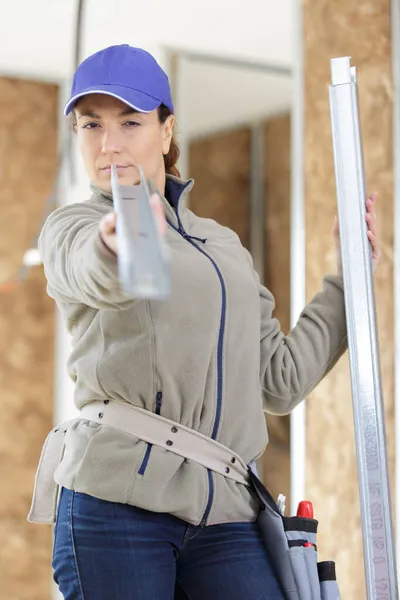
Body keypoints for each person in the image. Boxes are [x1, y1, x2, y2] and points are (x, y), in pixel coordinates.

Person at [30, 44, 381, 600]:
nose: (109, 142)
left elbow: (280, 380)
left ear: (167, 132)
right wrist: (117, 248)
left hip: (228, 515)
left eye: (130, 121)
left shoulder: (224, 247)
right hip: (117, 507)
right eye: (90, 124)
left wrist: (347, 280)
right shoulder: (74, 226)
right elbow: (91, 269)